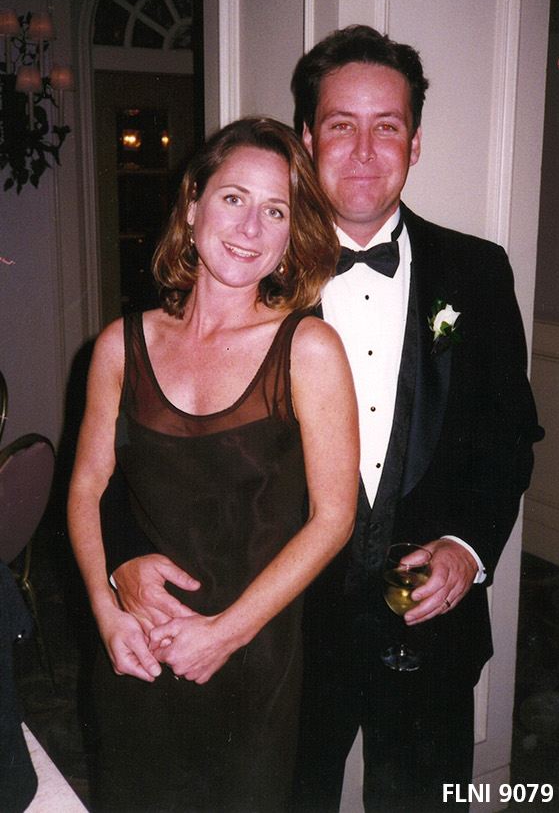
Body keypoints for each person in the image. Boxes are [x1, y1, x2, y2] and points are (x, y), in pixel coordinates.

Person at [107, 25, 542, 811]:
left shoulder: (478, 273)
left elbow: (511, 439)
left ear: (416, 144)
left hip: (428, 631)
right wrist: (125, 553)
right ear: (307, 141)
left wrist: (468, 546)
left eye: (389, 127)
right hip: (286, 639)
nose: (366, 151)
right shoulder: (249, 275)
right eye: (342, 126)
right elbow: (139, 441)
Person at [66, 117, 358, 811]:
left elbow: (334, 518)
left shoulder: (309, 349)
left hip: (252, 659)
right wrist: (106, 611)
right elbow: (85, 488)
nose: (251, 226)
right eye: (234, 198)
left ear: (292, 236)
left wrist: (224, 635)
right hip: (137, 647)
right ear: (193, 204)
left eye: (276, 210)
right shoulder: (120, 344)